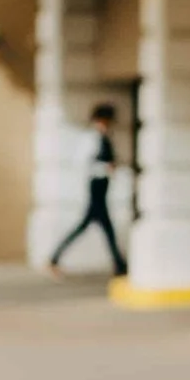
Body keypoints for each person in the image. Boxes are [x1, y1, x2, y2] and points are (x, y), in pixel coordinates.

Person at [47, 103, 126, 276]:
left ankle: (120, 265)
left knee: (100, 229)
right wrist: (106, 168)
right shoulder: (91, 139)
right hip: (96, 188)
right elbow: (83, 164)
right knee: (102, 229)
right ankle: (120, 265)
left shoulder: (105, 138)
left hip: (103, 189)